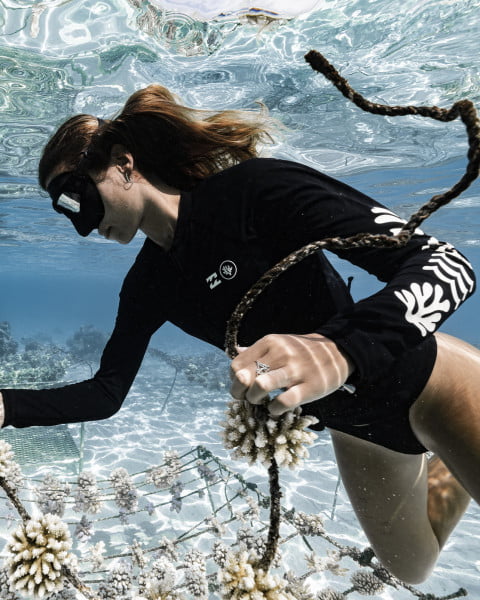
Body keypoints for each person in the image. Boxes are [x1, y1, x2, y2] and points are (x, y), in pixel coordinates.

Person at [1, 84, 479, 584]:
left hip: (430, 383)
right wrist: (8, 407)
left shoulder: (254, 191)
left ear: (123, 162)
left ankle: (457, 428)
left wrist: (337, 349)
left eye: (75, 197)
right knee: (413, 566)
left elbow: (445, 264)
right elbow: (106, 393)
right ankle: (452, 464)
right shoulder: (148, 285)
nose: (81, 223)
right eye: (64, 211)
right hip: (355, 429)